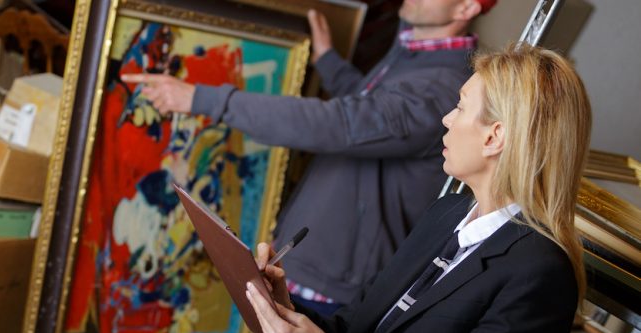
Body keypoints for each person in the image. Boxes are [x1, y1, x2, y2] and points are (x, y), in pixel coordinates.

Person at [123, 0, 497, 314]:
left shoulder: (443, 84)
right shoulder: (412, 54)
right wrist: (328, 59)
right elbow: (372, 113)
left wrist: (202, 100)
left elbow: (344, 123)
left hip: (333, 286)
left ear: (466, 6)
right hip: (312, 263)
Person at [247, 45, 591, 333]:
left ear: (494, 136)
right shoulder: (446, 213)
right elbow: (354, 331)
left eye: (459, 106)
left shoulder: (540, 274)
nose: (447, 119)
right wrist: (284, 308)